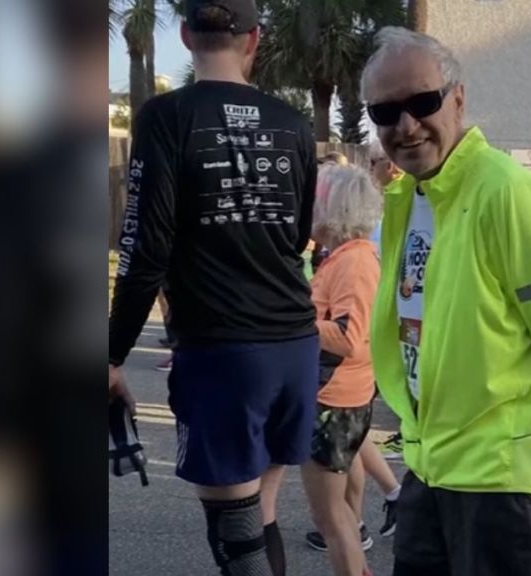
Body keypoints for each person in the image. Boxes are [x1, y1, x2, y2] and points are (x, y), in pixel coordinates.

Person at [361, 27, 531, 576]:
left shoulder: (508, 193)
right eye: (385, 111)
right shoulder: (408, 198)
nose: (406, 125)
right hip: (430, 466)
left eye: (423, 103)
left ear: (458, 99)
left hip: (503, 486)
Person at [107, 2, 319, 575]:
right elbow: (298, 235)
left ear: (184, 35)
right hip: (295, 346)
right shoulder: (293, 123)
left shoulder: (166, 115)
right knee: (260, 514)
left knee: (235, 530)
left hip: (224, 349)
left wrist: (112, 353)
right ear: (254, 38)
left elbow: (144, 249)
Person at [299, 165, 382, 576]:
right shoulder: (348, 257)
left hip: (334, 400)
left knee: (330, 518)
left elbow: (349, 337)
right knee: (341, 514)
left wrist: (289, 321)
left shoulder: (355, 262)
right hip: (339, 397)